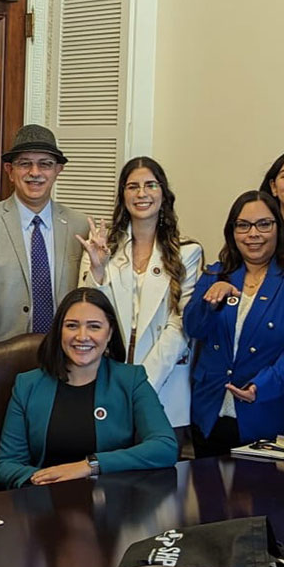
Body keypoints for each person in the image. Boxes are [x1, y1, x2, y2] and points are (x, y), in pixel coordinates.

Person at [186, 191, 284, 457]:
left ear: (278, 228)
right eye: (243, 225)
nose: (253, 234)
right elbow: (193, 328)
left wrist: (263, 385)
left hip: (274, 413)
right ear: (232, 231)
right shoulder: (216, 272)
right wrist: (210, 301)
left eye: (263, 224)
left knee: (268, 498)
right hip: (210, 415)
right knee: (209, 497)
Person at [0, 288, 178, 488]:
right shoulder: (27, 385)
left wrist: (90, 465)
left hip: (114, 504)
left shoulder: (131, 380)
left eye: (94, 327)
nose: (82, 336)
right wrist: (48, 479)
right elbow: (7, 464)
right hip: (45, 502)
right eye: (72, 326)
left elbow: (165, 446)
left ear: (109, 333)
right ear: (59, 332)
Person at [76, 157, 204, 429]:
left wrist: (143, 383)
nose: (142, 193)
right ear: (123, 195)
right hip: (107, 375)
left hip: (165, 379)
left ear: (163, 193)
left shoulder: (188, 251)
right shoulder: (100, 246)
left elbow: (182, 323)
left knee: (163, 468)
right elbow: (84, 314)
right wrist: (97, 269)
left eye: (150, 185)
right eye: (133, 186)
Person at [0, 125, 91, 362]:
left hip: (60, 357)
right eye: (25, 164)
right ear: (10, 171)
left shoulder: (80, 225)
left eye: (45, 164)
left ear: (58, 170)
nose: (35, 172)